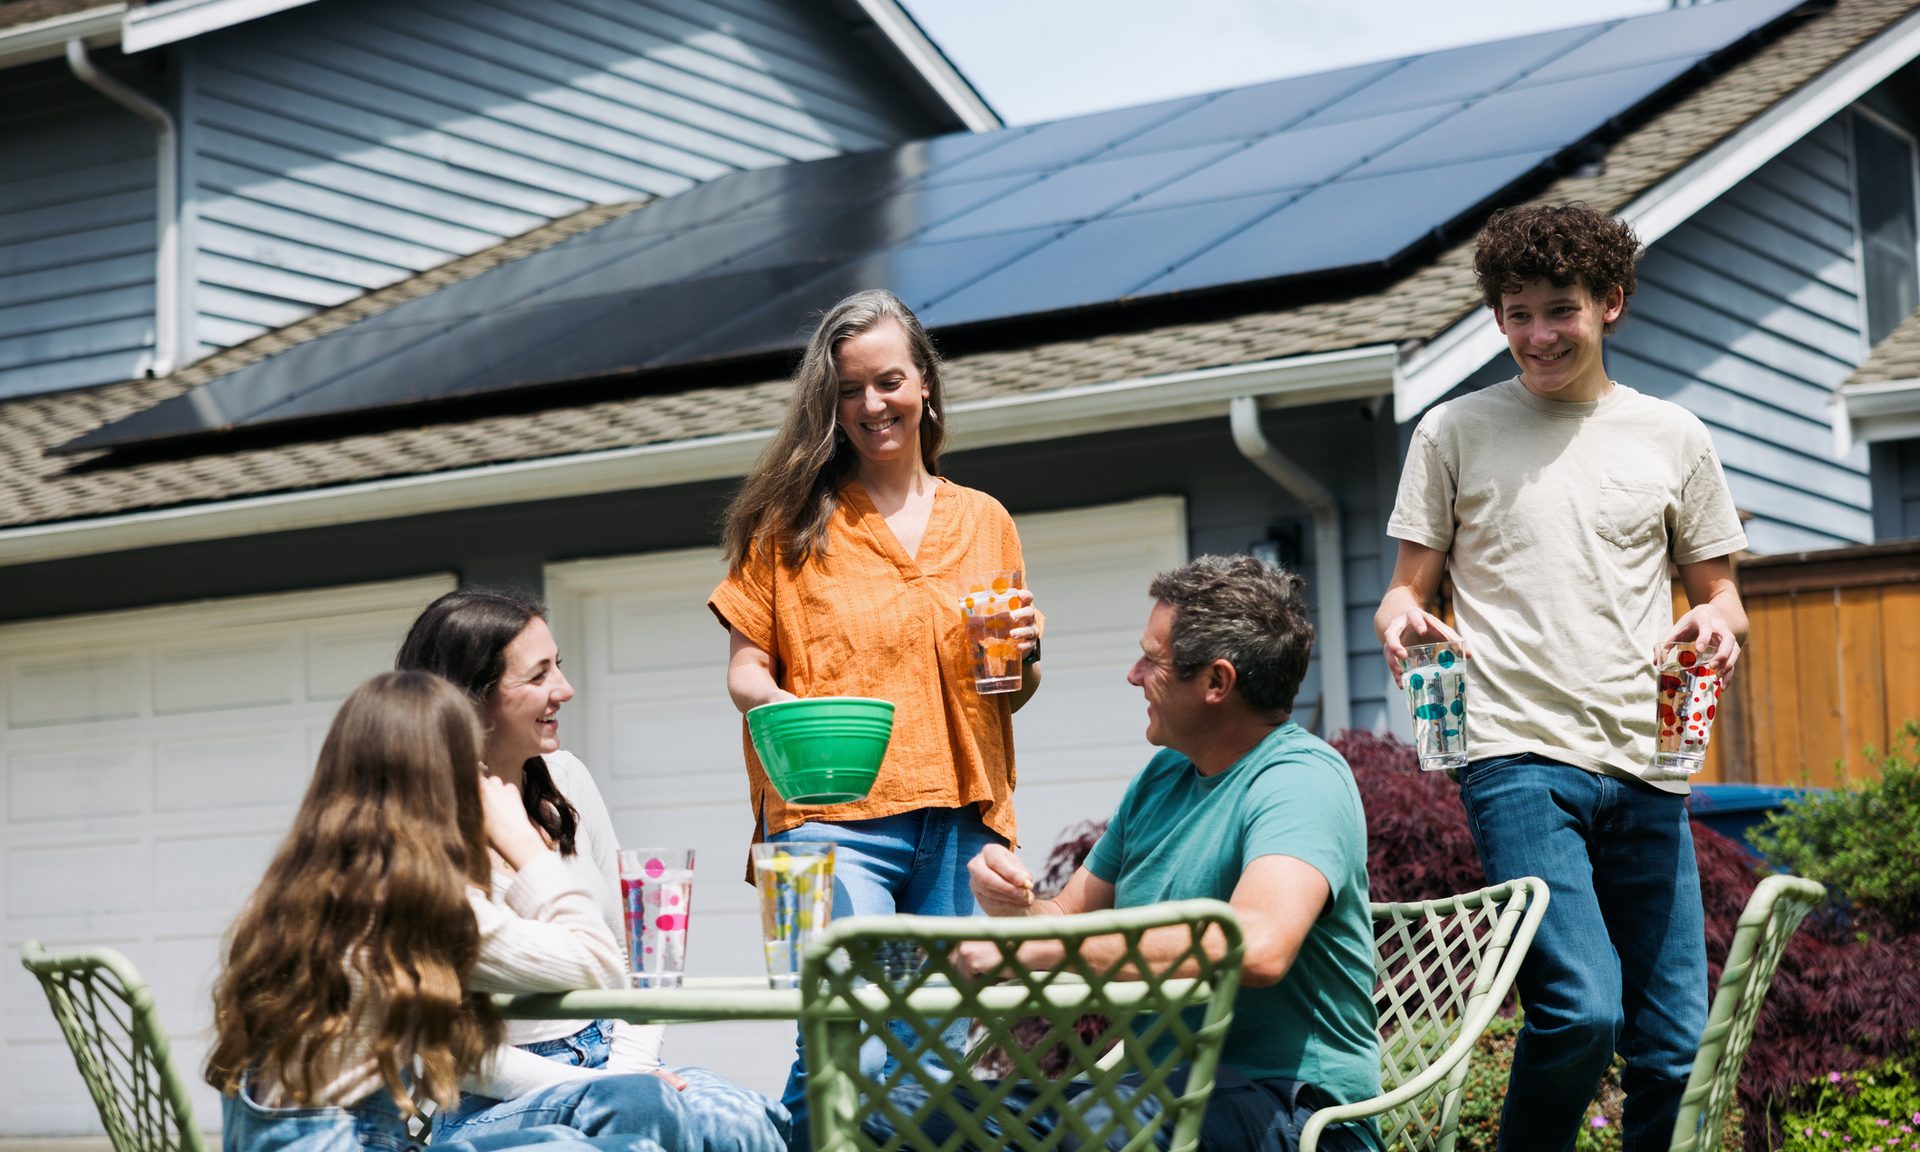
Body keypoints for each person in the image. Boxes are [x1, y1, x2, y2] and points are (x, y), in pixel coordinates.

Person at [1375, 202, 1749, 1152]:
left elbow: (1722, 597)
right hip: (1515, 758)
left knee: (1673, 1049)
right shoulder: (1452, 432)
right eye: (1517, 313)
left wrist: (1715, 618)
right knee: (1582, 1012)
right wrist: (1406, 619)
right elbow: (1401, 594)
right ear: (1497, 318)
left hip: (1647, 760)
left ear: (1609, 303)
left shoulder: (1672, 436)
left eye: (1560, 309)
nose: (1538, 334)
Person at [894, 554, 1381, 1152]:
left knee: (1093, 1127)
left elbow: (1259, 946)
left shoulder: (1301, 781)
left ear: (1216, 683)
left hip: (1293, 1111)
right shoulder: (1164, 778)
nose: (1132, 674)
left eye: (1152, 661)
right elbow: (1067, 919)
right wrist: (1015, 909)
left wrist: (1044, 944)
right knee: (904, 1115)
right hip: (1147, 1100)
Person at [707, 289, 1043, 1143]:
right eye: (850, 390)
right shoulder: (790, 524)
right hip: (828, 817)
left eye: (887, 381)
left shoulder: (986, 522)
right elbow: (746, 669)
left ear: (924, 383)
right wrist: (783, 710)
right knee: (849, 1042)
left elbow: (1005, 691)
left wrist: (1023, 661)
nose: (870, 405)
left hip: (961, 819)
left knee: (930, 1061)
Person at [206, 670, 693, 1152]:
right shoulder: (413, 901)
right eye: (472, 765)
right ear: (444, 778)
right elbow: (598, 965)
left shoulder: (301, 889)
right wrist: (527, 849)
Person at [396, 590, 786, 1152]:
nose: (564, 689)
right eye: (537, 676)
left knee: (743, 1121)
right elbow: (457, 1047)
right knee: (639, 1108)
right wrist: (609, 1086)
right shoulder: (420, 833)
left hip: (617, 1055)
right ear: (471, 701)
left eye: (560, 666)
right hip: (496, 1097)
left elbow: (634, 953)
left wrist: (628, 1068)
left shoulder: (566, 780)